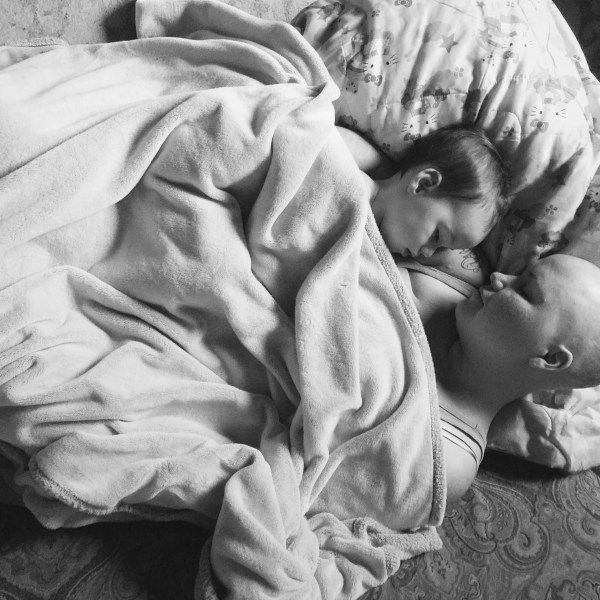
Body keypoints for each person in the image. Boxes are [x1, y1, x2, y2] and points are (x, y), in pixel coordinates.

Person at [396, 253, 600, 501]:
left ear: (550, 358)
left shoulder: (445, 459)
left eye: (524, 290)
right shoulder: (456, 276)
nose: (498, 277)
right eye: (518, 274)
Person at [337, 124, 510, 259]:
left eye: (440, 249)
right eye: (437, 236)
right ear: (423, 184)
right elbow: (327, 138)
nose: (427, 254)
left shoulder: (385, 261)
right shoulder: (353, 181)